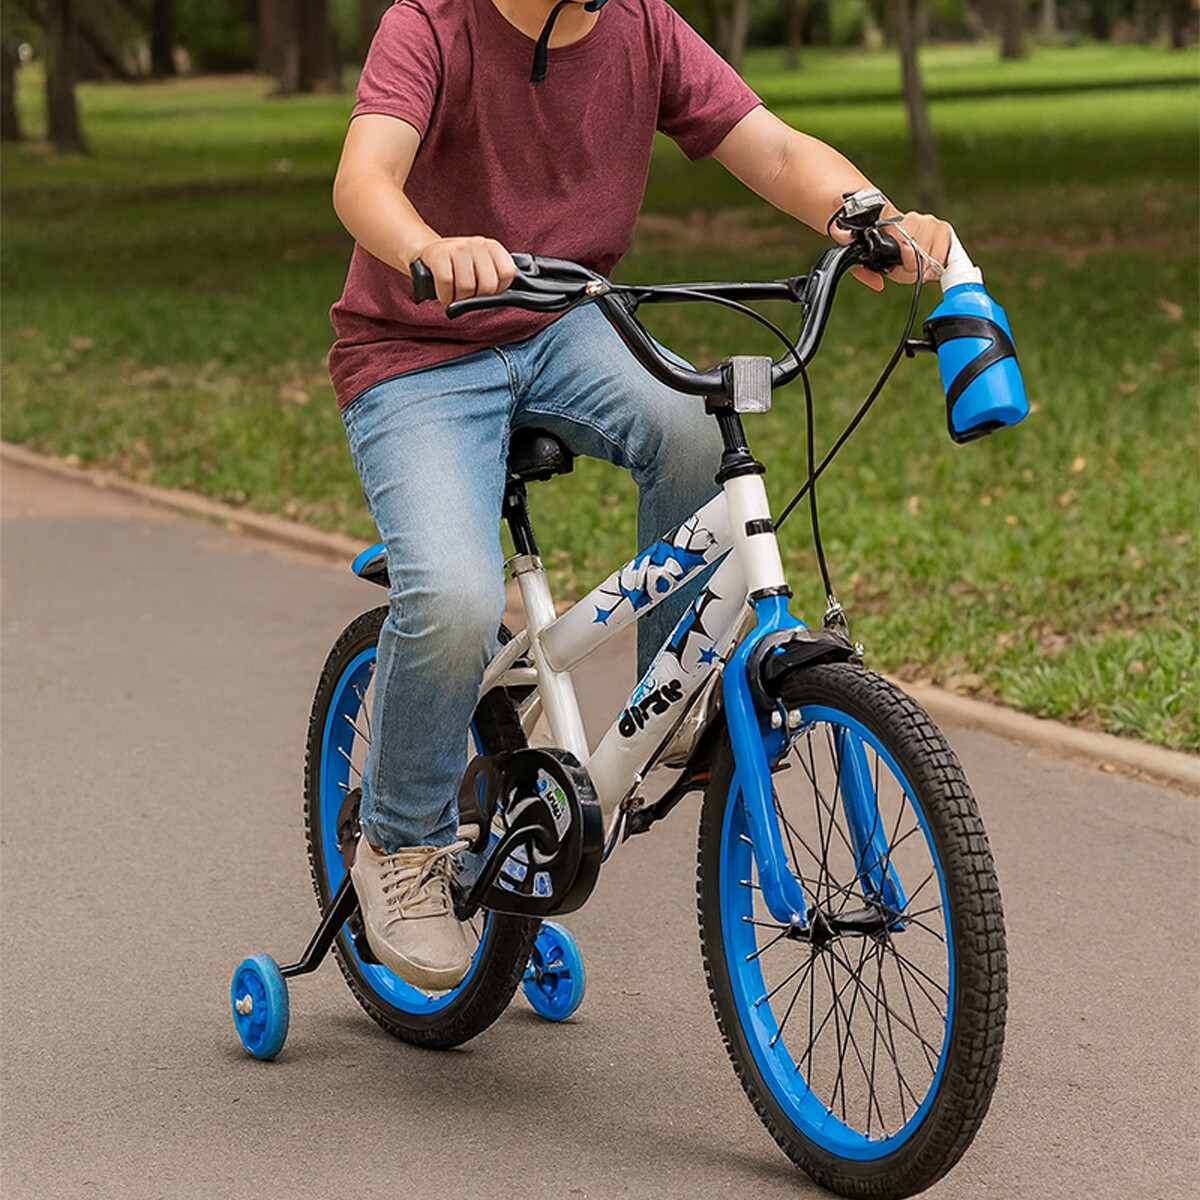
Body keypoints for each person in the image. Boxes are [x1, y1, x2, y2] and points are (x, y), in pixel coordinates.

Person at [328, 0, 952, 992]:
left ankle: (678, 691)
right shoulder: (430, 24)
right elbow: (363, 181)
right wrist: (430, 245)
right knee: (450, 597)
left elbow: (777, 150)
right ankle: (400, 848)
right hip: (418, 352)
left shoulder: (643, 28)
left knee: (696, 428)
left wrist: (865, 215)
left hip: (568, 325)